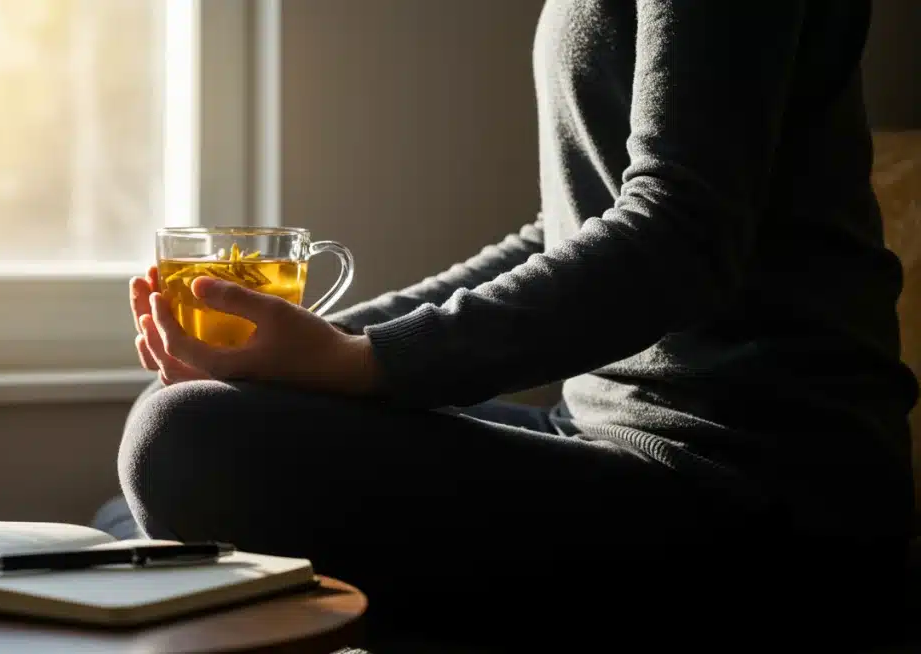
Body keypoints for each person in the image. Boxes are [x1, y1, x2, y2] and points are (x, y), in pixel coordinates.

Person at [115, 0, 917, 645]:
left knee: (185, 441)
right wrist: (315, 355)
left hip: (760, 487)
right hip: (600, 432)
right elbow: (561, 233)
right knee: (150, 477)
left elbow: (679, 239)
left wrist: (361, 362)